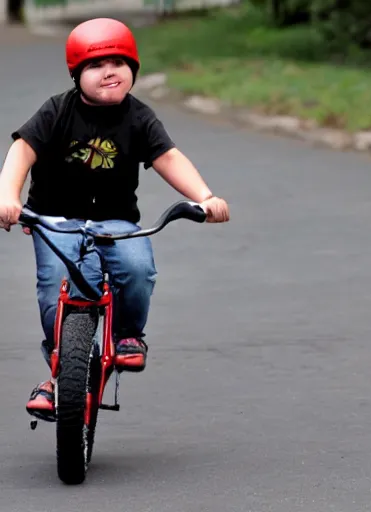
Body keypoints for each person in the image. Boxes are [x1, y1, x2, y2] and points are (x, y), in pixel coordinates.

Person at [0, 18, 230, 421]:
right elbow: (23, 151)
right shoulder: (56, 111)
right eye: (95, 65)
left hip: (116, 222)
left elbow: (167, 158)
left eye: (119, 63)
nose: (109, 72)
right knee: (56, 285)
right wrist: (8, 197)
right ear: (76, 74)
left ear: (134, 70)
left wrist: (205, 197)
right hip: (54, 220)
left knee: (138, 269)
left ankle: (127, 336)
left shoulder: (139, 117)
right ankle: (57, 375)